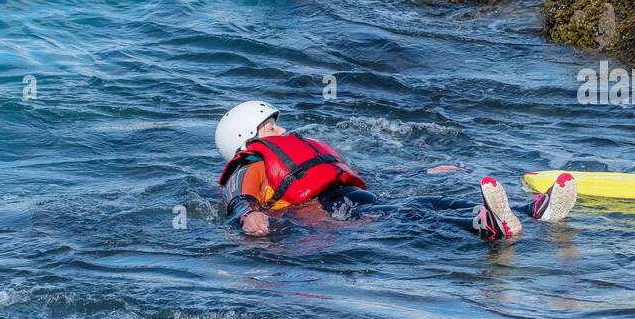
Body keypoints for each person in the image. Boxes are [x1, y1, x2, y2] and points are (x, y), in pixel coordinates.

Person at [215, 100, 575, 241]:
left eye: (278, 124)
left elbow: (355, 172)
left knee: (429, 200)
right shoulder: (250, 164)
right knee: (410, 215)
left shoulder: (287, 151)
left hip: (351, 197)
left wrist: (419, 170)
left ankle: (532, 211)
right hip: (328, 213)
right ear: (246, 140)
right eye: (270, 128)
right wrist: (248, 216)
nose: (280, 131)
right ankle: (482, 227)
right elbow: (239, 198)